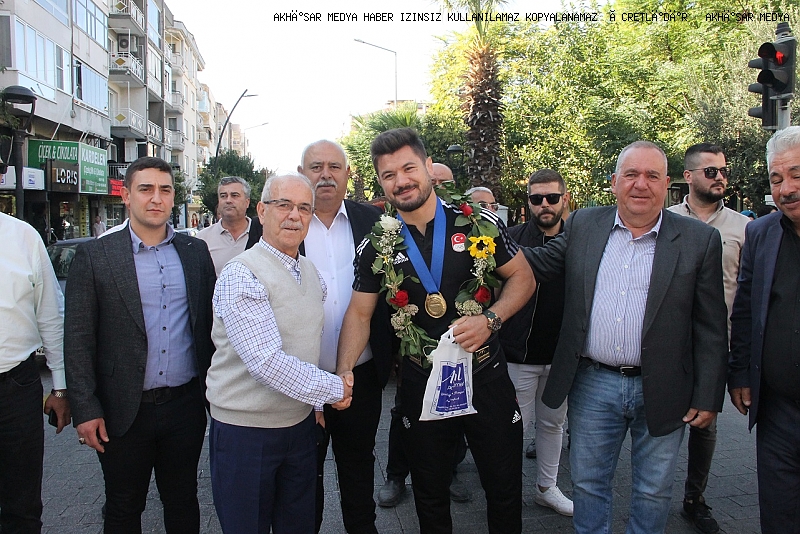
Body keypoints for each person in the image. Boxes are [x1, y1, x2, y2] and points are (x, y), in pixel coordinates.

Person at [524, 141, 729, 534]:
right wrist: (477, 239)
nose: (640, 184)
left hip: (665, 386)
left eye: (652, 175)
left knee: (653, 491)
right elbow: (538, 263)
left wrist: (708, 395)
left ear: (667, 184)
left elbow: (711, 327)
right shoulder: (584, 224)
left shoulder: (699, 239)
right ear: (614, 182)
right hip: (592, 383)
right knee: (588, 485)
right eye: (631, 174)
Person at [337, 128, 534, 533]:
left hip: (485, 375)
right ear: (380, 182)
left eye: (409, 168)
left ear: (428, 167)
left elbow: (523, 277)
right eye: (389, 174)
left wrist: (491, 320)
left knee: (503, 490)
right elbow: (359, 314)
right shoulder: (377, 245)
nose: (401, 181)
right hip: (421, 381)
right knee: (429, 496)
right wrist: (344, 373)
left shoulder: (477, 223)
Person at [64, 156, 216, 534]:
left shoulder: (195, 253)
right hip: (122, 410)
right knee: (123, 504)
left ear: (173, 197)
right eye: (145, 189)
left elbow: (210, 328)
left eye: (165, 190)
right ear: (127, 196)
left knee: (183, 499)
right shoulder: (97, 256)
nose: (156, 198)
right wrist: (85, 408)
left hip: (184, 406)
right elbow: (78, 338)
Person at [206, 173, 354, 534]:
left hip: (298, 427)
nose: (294, 216)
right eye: (283, 205)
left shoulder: (309, 271)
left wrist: (314, 405)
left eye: (304, 208)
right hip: (246, 432)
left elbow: (307, 343)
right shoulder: (242, 273)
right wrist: (333, 389)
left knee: (298, 525)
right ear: (261, 211)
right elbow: (265, 362)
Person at [296, 140, 393, 534]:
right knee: (304, 475)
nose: (326, 175)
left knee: (359, 467)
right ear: (301, 173)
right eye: (316, 167)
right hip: (300, 379)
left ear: (348, 174)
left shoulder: (374, 221)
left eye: (335, 167)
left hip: (361, 376)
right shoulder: (282, 222)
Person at [667, 143, 749, 534]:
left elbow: (748, 293)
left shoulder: (743, 227)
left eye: (724, 171)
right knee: (661, 422)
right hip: (669, 343)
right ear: (689, 176)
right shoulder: (664, 221)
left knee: (706, 426)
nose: (720, 178)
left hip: (716, 345)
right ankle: (651, 495)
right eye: (711, 171)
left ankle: (694, 499)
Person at [729, 125, 800, 534]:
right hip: (777, 412)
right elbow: (744, 310)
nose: (786, 188)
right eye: (776, 179)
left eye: (796, 174)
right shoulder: (760, 233)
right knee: (779, 515)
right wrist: (740, 373)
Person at [499, 169, 572, 517]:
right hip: (518, 354)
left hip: (561, 355)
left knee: (553, 423)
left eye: (552, 198)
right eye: (536, 198)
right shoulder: (510, 239)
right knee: (514, 426)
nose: (545, 204)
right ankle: (505, 493)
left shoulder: (578, 241)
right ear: (528, 202)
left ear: (565, 199)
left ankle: (547, 488)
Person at [0, 212, 70, 533]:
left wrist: (60, 388)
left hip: (15, 387)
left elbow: (51, 315)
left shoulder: (23, 237)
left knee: (23, 508)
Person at [197, 176, 259, 276]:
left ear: (247, 202)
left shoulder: (264, 235)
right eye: (223, 196)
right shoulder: (202, 239)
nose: (228, 200)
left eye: (234, 195)